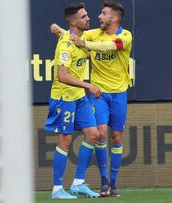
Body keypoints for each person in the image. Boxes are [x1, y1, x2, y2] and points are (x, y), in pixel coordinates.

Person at [50, 0, 133, 197]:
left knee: (106, 136)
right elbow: (72, 36)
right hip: (91, 93)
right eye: (85, 16)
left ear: (113, 18)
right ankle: (97, 184)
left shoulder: (125, 36)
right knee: (98, 134)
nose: (95, 17)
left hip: (116, 91)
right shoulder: (92, 33)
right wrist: (59, 30)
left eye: (102, 13)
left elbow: (110, 46)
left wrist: (84, 43)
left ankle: (93, 183)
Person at [45, 2, 102, 199]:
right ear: (73, 21)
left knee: (93, 134)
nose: (88, 18)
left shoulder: (82, 37)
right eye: (84, 16)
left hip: (78, 97)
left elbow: (64, 32)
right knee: (65, 140)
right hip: (63, 97)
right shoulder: (65, 45)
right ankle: (57, 189)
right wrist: (89, 85)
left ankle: (78, 183)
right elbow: (62, 75)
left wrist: (58, 28)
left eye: (87, 15)